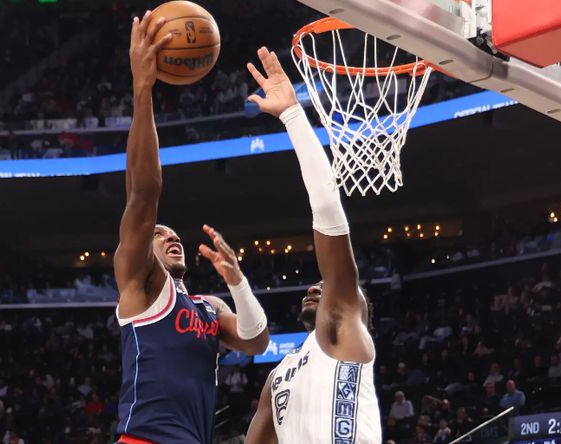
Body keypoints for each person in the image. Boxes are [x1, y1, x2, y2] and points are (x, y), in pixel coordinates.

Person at [114, 11, 269, 444]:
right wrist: (142, 89)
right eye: (159, 234)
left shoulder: (209, 308)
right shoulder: (142, 284)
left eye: (174, 234)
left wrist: (237, 281)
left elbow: (256, 342)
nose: (171, 236)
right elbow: (143, 194)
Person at [245, 47, 381, 443]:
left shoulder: (343, 327)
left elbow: (326, 208)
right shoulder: (277, 377)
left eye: (329, 287)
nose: (315, 287)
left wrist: (292, 115)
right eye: (316, 286)